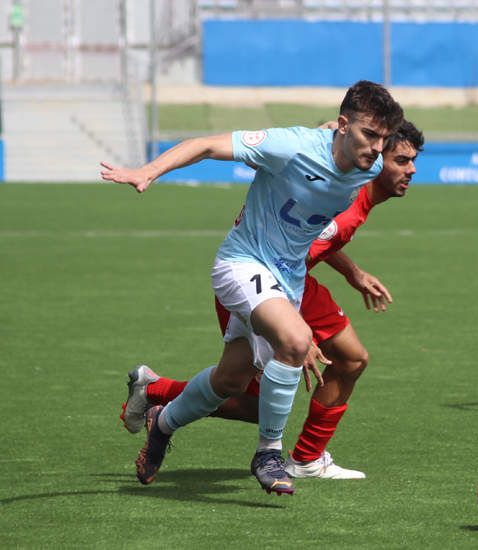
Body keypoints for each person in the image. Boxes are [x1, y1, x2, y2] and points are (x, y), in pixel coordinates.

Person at [101, 80, 404, 494]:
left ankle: (163, 422)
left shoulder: (367, 169)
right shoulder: (291, 145)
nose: (376, 147)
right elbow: (206, 145)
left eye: (384, 139)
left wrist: (348, 271)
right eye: (369, 134)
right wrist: (148, 171)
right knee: (296, 343)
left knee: (230, 381)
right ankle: (269, 453)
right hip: (242, 263)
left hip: (288, 279)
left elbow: (315, 229)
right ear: (341, 124)